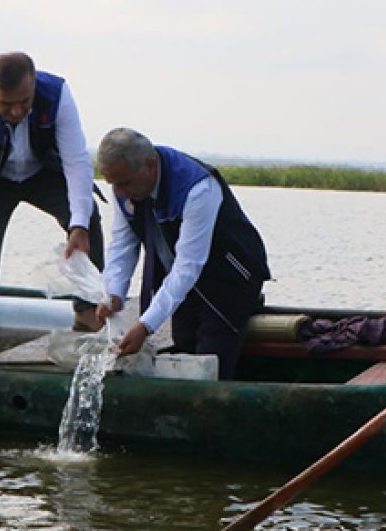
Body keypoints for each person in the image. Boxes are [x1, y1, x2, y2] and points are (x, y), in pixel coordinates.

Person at [0, 52, 105, 366]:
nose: (17, 111)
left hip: (43, 170)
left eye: (25, 101)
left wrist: (79, 224)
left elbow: (76, 163)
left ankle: (87, 311)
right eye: (7, 105)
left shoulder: (57, 94)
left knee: (87, 219)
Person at [95, 128, 271, 380]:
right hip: (184, 283)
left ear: (151, 164)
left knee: (211, 359)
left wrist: (145, 325)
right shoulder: (124, 185)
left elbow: (188, 265)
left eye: (124, 183)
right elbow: (123, 244)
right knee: (184, 347)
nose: (120, 193)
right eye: (113, 185)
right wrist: (113, 293)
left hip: (230, 279)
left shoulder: (197, 188)